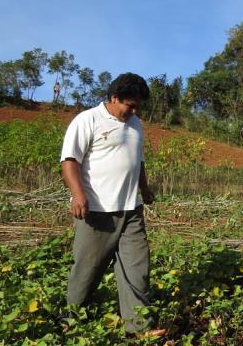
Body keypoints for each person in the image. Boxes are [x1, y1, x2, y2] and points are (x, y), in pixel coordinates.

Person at [60, 72, 165, 338]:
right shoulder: (88, 120)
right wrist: (78, 194)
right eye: (129, 105)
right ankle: (71, 321)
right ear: (114, 97)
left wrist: (144, 187)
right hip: (96, 210)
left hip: (131, 209)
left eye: (138, 106)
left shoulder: (136, 124)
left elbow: (137, 160)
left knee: (137, 269)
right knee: (87, 269)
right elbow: (70, 160)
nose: (134, 111)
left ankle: (139, 328)